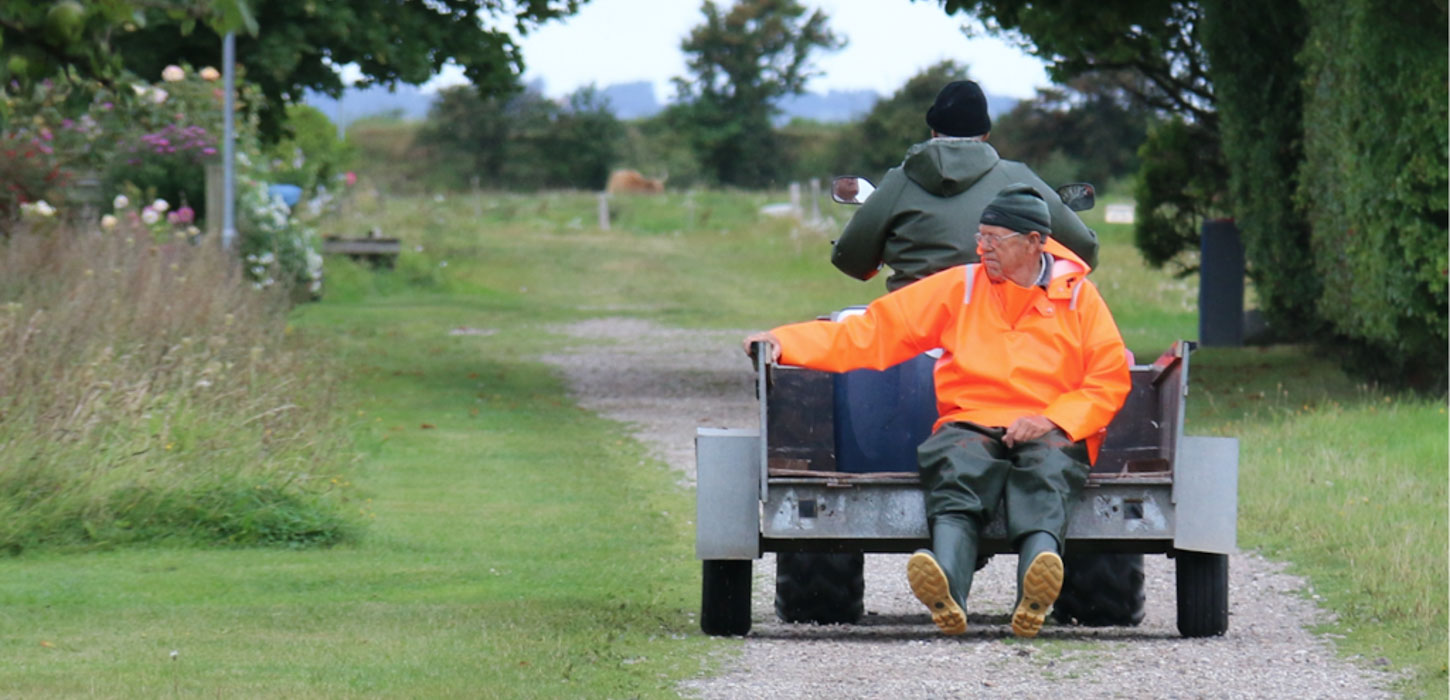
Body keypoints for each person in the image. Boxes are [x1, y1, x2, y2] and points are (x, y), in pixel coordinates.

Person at [744, 184, 1131, 638]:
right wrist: (783, 342)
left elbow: (1108, 378)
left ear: (1033, 242)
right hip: (971, 418)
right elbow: (872, 332)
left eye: (995, 239)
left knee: (1047, 468)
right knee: (955, 463)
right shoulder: (960, 286)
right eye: (980, 237)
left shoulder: (1082, 298)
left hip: (1053, 424)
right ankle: (948, 587)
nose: (982, 248)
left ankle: (1036, 587)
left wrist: (1053, 420)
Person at [832, 80, 1099, 292]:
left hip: (912, 335)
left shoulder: (898, 182)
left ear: (933, 131)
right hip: (997, 332)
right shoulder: (1018, 179)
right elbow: (1084, 250)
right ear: (985, 134)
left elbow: (850, 260)